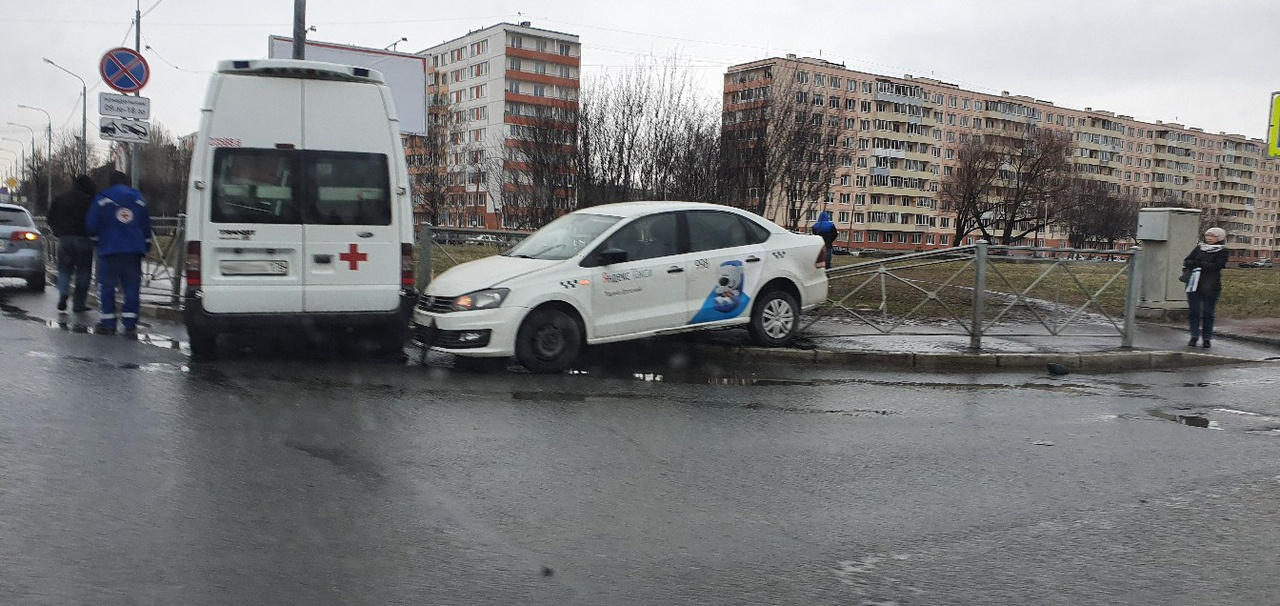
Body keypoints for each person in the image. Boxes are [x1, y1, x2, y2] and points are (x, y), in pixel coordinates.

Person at [86, 171, 151, 336]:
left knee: (107, 286)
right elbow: (145, 224)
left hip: (109, 249)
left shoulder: (102, 198)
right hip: (133, 250)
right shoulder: (138, 198)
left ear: (111, 182)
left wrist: (96, 241)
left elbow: (91, 224)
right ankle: (130, 322)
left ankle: (108, 323)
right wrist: (145, 245)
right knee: (131, 287)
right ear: (126, 182)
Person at [46, 175, 98, 312]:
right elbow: (96, 219)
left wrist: (58, 232)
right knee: (83, 272)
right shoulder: (89, 200)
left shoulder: (61, 198)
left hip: (65, 239)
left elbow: (50, 218)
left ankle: (63, 293)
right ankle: (78, 303)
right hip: (84, 239)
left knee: (64, 269)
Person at [1183, 226, 1229, 348]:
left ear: (1219, 238)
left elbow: (1217, 266)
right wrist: (1196, 264)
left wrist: (1199, 264)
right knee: (1194, 312)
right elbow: (1187, 261)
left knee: (1208, 313)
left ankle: (1207, 339)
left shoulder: (1223, 251)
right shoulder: (1199, 248)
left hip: (1211, 286)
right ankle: (1194, 336)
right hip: (1194, 284)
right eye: (1208, 235)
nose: (1209, 238)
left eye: (1213, 236)